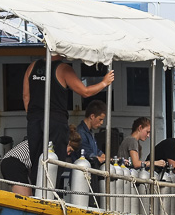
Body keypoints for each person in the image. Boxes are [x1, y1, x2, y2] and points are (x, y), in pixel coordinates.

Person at [23, 54, 114, 184]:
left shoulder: (32, 67)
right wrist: (104, 82)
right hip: (55, 120)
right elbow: (85, 91)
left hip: (34, 120)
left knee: (36, 162)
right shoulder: (63, 69)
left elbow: (26, 96)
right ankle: (51, 195)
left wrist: (33, 117)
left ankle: (36, 193)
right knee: (55, 162)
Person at [0, 127, 80, 198]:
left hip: (19, 164)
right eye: (70, 150)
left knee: (30, 197)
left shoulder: (49, 142)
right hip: (13, 163)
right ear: (67, 143)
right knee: (25, 199)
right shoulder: (51, 146)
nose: (68, 154)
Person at [76, 101, 108, 167]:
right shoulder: (80, 132)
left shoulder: (90, 132)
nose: (102, 123)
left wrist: (108, 158)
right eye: (100, 119)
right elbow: (88, 155)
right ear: (92, 116)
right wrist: (105, 160)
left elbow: (96, 151)